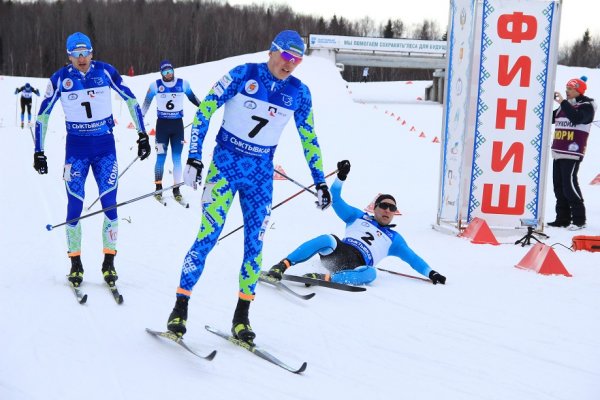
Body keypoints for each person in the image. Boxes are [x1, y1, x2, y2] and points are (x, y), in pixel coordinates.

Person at [165, 30, 331, 343]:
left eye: (297, 60)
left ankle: (242, 317)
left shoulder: (299, 92)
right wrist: (194, 158)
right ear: (273, 51)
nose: (291, 65)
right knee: (207, 237)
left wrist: (320, 180)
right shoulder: (243, 74)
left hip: (260, 177)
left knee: (255, 245)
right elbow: (205, 110)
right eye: (286, 57)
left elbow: (309, 138)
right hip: (225, 169)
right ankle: (180, 308)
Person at [33, 32, 151, 288]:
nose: (81, 58)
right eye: (76, 54)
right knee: (74, 206)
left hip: (105, 148)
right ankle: (75, 264)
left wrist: (143, 134)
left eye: (85, 52)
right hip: (76, 151)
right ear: (68, 56)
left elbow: (130, 99)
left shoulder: (105, 72)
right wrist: (38, 151)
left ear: (92, 52)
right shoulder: (60, 79)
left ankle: (109, 263)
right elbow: (42, 115)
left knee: (110, 204)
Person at [267, 160, 447, 286]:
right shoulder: (358, 216)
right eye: (384, 206)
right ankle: (282, 265)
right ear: (374, 208)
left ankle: (324, 278)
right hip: (338, 253)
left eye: (392, 208)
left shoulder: (395, 239)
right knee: (327, 238)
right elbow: (335, 199)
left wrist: (432, 273)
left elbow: (413, 259)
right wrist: (341, 176)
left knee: (371, 273)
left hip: (357, 266)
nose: (387, 210)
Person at [141, 60, 200, 203]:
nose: (168, 75)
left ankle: (176, 188)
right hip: (162, 126)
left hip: (177, 127)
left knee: (177, 159)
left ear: (173, 70)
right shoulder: (155, 85)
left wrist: (204, 107)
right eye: (165, 72)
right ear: (161, 73)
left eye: (170, 71)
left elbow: (193, 98)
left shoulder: (183, 84)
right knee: (161, 158)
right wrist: (140, 118)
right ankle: (158, 187)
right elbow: (146, 103)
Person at [548, 76, 596, 230]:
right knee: (558, 186)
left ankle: (579, 220)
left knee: (569, 185)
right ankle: (562, 219)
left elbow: (577, 118)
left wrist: (562, 102)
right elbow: (550, 118)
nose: (567, 91)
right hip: (559, 151)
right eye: (566, 88)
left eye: (570, 89)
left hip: (572, 152)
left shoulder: (587, 106)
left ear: (578, 90)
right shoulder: (565, 105)